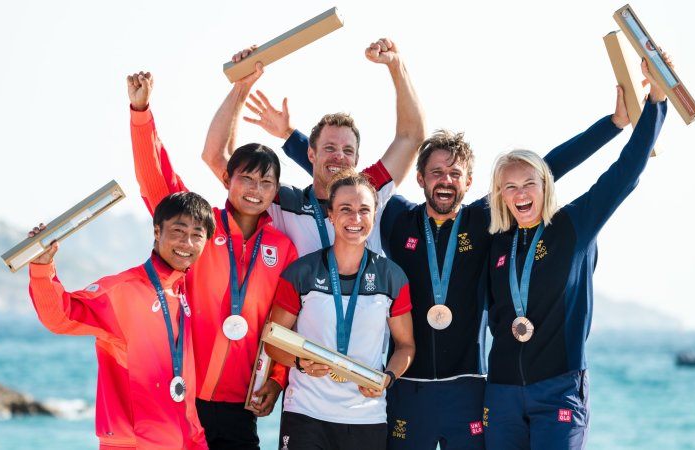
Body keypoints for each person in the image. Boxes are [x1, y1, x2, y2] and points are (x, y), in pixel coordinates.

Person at [280, 82, 631, 450]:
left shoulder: (483, 219)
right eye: (435, 172)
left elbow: (548, 168)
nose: (445, 181)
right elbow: (342, 181)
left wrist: (613, 124)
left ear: (469, 182)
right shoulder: (396, 217)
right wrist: (293, 141)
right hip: (406, 389)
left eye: (454, 174)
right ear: (420, 179)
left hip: (469, 388)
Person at [483, 58, 669, 449]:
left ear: (544, 185)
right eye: (509, 187)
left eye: (529, 184)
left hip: (559, 390)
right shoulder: (497, 236)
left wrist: (654, 102)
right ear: (500, 194)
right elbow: (540, 169)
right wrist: (612, 124)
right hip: (501, 392)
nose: (520, 194)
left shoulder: (574, 226)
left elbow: (625, 172)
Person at [128, 71, 298, 449]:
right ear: (227, 179)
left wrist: (277, 380)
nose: (255, 190)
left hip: (241, 404)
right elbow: (155, 180)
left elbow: (285, 321)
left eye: (266, 183)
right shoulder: (200, 226)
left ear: (275, 190)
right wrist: (141, 114)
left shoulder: (282, 248)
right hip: (183, 396)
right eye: (247, 179)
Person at [202, 38, 426, 256]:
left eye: (348, 151)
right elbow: (216, 157)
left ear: (357, 160)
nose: (339, 156)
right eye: (329, 148)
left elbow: (412, 137)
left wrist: (397, 66)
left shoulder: (371, 190)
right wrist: (241, 87)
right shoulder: (283, 200)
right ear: (311, 153)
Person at [27, 192, 215, 449]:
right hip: (131, 443)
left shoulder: (187, 291)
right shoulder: (122, 290)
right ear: (157, 231)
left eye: (197, 235)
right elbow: (59, 316)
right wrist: (42, 269)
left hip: (188, 440)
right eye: (179, 231)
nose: (187, 242)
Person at [265, 171, 415, 450]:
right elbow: (273, 341)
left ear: (374, 215)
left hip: (366, 416)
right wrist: (300, 362)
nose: (355, 219)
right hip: (305, 412)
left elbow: (405, 346)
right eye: (346, 209)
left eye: (364, 210)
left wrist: (388, 378)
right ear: (331, 215)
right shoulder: (301, 272)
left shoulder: (392, 277)